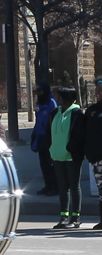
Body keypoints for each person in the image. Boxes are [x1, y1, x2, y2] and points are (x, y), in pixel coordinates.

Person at [47, 86, 85, 229]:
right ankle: (64, 216)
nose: (57, 98)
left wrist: (69, 148)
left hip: (71, 156)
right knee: (63, 188)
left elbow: (79, 135)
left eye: (59, 96)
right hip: (57, 155)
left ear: (67, 97)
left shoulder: (77, 113)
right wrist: (51, 149)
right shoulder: (55, 112)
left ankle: (75, 217)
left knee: (74, 187)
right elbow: (49, 132)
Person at [30, 83, 58, 196]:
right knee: (43, 164)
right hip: (40, 137)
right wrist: (34, 136)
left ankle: (55, 187)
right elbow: (38, 122)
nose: (38, 95)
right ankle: (48, 186)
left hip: (50, 137)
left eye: (40, 92)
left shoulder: (52, 102)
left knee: (51, 164)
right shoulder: (40, 104)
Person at [83, 78, 102, 229]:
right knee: (101, 190)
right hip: (96, 157)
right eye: (97, 91)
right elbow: (86, 132)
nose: (99, 94)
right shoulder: (91, 110)